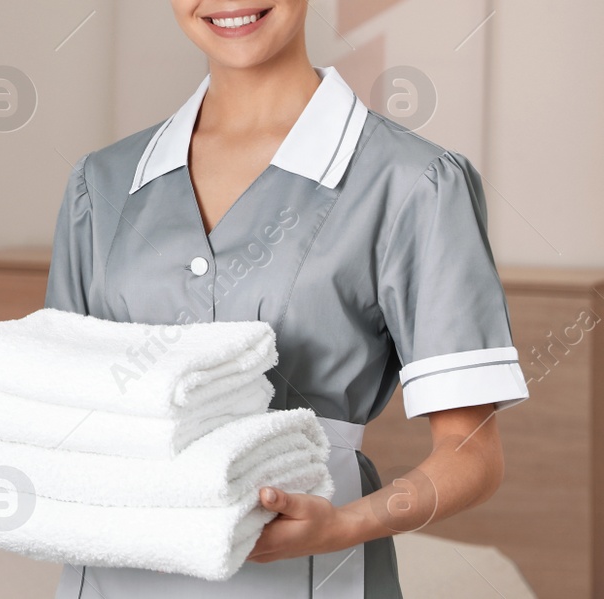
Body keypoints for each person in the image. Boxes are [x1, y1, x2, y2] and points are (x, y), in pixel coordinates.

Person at [45, 1, 527, 596]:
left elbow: (472, 453)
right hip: (115, 572)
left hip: (314, 575)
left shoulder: (413, 182)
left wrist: (346, 524)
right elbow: (55, 408)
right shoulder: (102, 183)